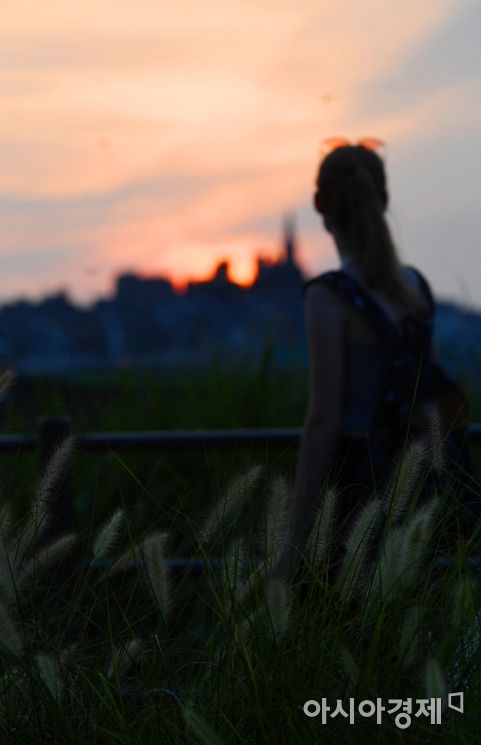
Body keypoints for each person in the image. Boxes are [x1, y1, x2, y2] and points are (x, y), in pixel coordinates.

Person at [279, 142, 474, 576]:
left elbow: (324, 419)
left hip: (356, 487)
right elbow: (431, 388)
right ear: (383, 200)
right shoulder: (417, 288)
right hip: (424, 488)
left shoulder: (328, 298)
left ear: (320, 206)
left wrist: (293, 538)